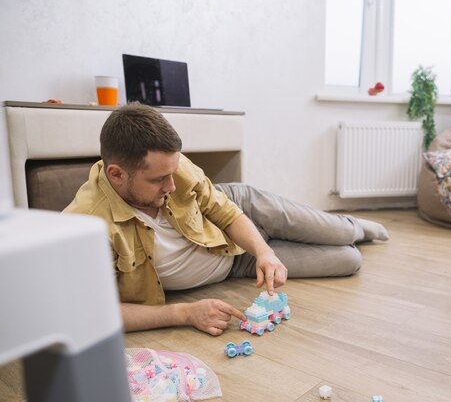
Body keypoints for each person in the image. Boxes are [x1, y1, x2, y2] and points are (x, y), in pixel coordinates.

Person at [64, 103, 389, 335]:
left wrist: (264, 252)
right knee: (348, 261)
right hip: (232, 261)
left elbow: (226, 211)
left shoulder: (171, 168)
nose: (173, 185)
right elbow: (96, 313)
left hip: (244, 210)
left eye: (174, 173)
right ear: (117, 175)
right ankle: (346, 235)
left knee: (342, 234)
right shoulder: (86, 227)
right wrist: (183, 312)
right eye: (159, 180)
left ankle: (356, 226)